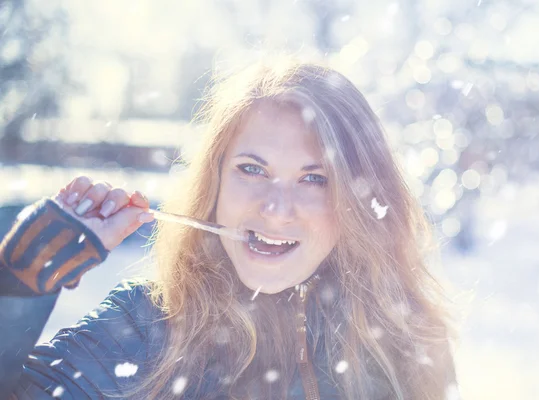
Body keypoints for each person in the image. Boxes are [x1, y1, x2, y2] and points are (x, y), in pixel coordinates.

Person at [0, 59, 457, 399]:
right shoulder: (146, 326)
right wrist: (17, 284)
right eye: (252, 169)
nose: (276, 209)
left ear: (358, 199)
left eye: (315, 178)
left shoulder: (403, 342)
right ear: (214, 180)